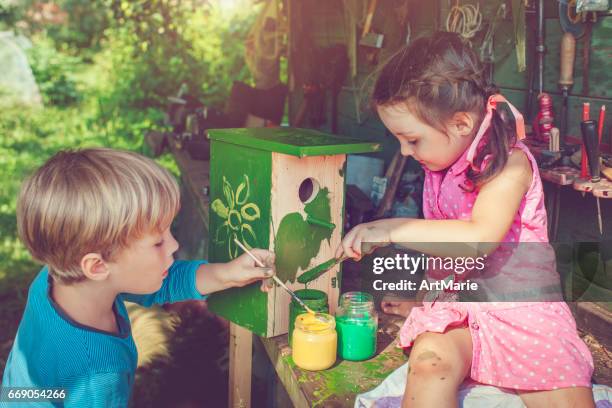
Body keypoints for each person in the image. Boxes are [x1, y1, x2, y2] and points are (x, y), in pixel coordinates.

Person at [336, 32, 594, 407]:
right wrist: (426, 302)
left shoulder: (511, 164)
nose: (405, 152)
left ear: (459, 124)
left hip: (521, 313)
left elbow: (478, 238)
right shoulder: (438, 165)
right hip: (457, 309)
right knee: (428, 365)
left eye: (412, 139)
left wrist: (391, 228)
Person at [2, 148, 274, 407]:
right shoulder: (98, 374)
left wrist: (226, 274)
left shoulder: (60, 275)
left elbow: (162, 282)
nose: (174, 246)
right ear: (97, 266)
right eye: (158, 243)